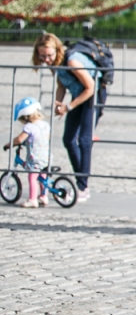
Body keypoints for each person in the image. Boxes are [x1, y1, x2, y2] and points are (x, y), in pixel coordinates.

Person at [33, 33, 103, 202]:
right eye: (42, 57)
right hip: (78, 94)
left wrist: (69, 106)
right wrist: (59, 102)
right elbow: (61, 83)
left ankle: (82, 186)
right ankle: (80, 179)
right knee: (68, 139)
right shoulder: (53, 64)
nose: (47, 60)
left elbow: (90, 87)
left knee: (84, 140)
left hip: (93, 94)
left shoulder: (72, 61)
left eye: (49, 55)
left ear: (57, 50)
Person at [4, 97, 51, 208]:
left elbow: (19, 139)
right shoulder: (45, 125)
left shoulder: (29, 127)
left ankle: (32, 199)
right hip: (46, 157)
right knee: (43, 177)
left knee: (32, 178)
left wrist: (9, 144)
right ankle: (44, 197)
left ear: (25, 116)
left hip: (35, 159)